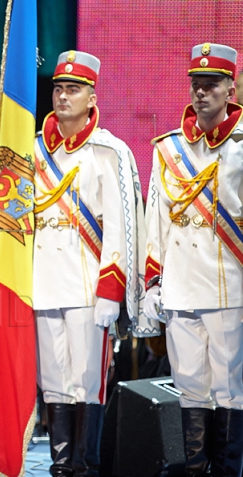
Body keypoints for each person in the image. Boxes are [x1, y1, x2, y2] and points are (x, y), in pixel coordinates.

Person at [33, 51, 143, 477]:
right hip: (43, 283)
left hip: (85, 285)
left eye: (73, 89)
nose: (63, 96)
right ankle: (61, 466)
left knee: (87, 383)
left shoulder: (109, 151)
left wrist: (110, 292)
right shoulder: (34, 151)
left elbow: (120, 225)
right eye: (58, 88)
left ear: (92, 97)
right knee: (54, 381)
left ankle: (86, 466)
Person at [143, 43, 243, 477]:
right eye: (196, 85)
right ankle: (194, 467)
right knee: (190, 387)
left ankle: (227, 469)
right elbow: (156, 222)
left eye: (212, 84)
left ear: (231, 88)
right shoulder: (168, 150)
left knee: (230, 388)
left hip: (230, 284)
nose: (202, 93)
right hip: (182, 284)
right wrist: (153, 282)